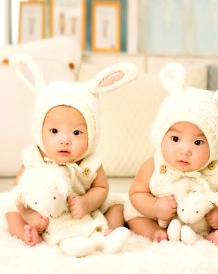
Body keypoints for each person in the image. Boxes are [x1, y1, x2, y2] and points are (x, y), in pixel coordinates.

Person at [5, 53, 137, 256]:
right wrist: (29, 214)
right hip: (45, 212)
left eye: (76, 133)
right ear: (40, 130)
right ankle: (30, 234)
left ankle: (108, 233)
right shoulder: (35, 158)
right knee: (12, 214)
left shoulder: (89, 162)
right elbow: (20, 191)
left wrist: (86, 202)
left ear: (91, 134)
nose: (65, 140)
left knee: (117, 205)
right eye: (54, 131)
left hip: (83, 211)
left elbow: (101, 188)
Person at [125, 62, 218, 247]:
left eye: (198, 142)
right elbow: (136, 192)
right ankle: (157, 234)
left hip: (209, 222)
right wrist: (155, 207)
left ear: (214, 145)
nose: (185, 150)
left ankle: (214, 236)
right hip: (164, 220)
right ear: (161, 136)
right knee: (134, 218)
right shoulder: (154, 165)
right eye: (175, 139)